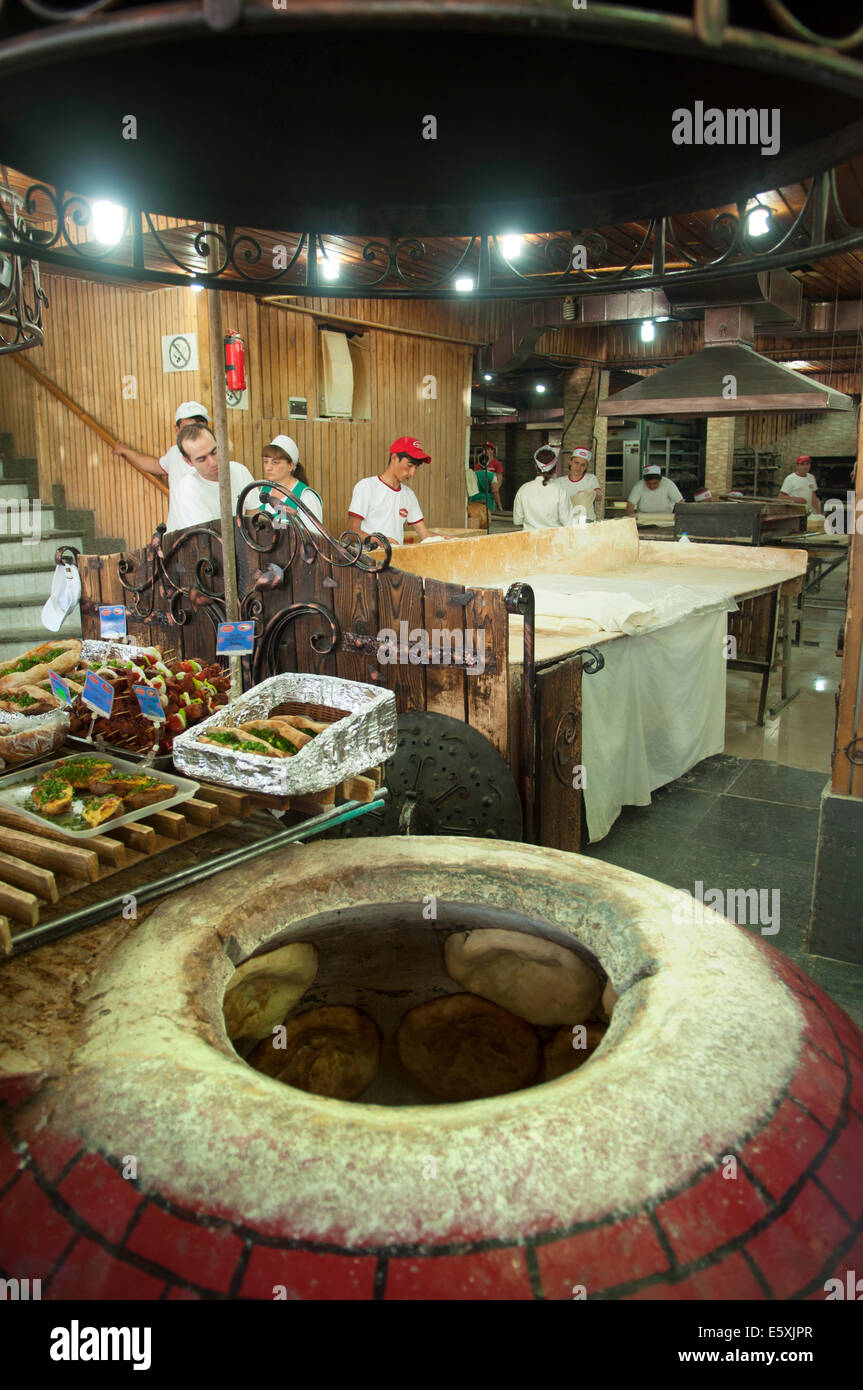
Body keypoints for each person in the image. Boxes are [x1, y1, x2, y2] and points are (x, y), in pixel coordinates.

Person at [112, 401, 211, 533]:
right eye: (188, 429)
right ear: (177, 430)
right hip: (177, 533)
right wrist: (125, 451)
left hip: (207, 530)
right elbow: (154, 465)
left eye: (200, 429)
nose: (195, 435)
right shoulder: (174, 453)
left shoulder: (214, 456)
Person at [348, 436, 441, 546]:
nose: (412, 473)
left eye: (415, 468)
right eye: (409, 466)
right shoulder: (366, 487)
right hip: (368, 560)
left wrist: (450, 540)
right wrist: (379, 540)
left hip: (396, 559)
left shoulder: (409, 495)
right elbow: (351, 532)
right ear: (394, 458)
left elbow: (424, 534)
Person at [169, 424, 260, 530]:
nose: (212, 463)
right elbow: (209, 538)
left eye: (214, 452)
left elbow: (254, 518)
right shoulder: (187, 489)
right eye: (202, 459)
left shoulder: (240, 471)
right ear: (188, 461)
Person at [258, 435, 325, 534]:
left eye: (275, 462)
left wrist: (295, 521)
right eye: (266, 462)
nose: (268, 468)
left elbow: (315, 540)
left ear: (290, 466)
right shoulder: (264, 490)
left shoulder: (306, 497)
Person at [512, 446, 572, 531]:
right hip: (554, 542)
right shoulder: (560, 491)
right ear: (555, 468)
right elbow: (567, 522)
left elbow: (517, 520)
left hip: (530, 541)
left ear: (536, 467)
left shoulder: (524, 489)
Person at [558, 447, 602, 523]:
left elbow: (599, 496)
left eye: (583, 465)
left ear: (586, 467)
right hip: (567, 521)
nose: (578, 468)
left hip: (587, 521)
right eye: (576, 463)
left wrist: (589, 494)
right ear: (571, 462)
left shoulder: (591, 479)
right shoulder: (559, 482)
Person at [468, 451, 501, 521]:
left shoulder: (473, 475)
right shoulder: (492, 476)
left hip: (474, 502)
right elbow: (495, 491)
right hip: (487, 503)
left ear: (479, 464)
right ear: (488, 464)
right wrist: (499, 506)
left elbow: (469, 489)